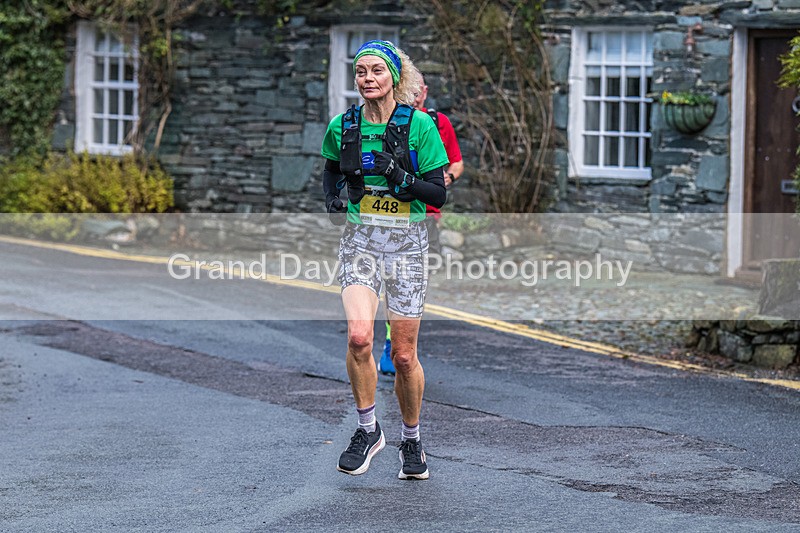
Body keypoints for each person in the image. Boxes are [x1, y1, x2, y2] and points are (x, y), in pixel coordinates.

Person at [320, 40, 448, 480]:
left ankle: (411, 440)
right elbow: (332, 168)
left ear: (395, 76)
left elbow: (438, 194)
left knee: (405, 355)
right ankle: (368, 429)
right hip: (360, 243)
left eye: (377, 71)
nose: (368, 78)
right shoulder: (344, 125)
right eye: (361, 72)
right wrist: (333, 198)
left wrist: (398, 175)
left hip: (407, 246)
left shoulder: (419, 128)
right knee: (359, 338)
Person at [378, 75, 464, 377]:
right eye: (409, 90)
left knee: (417, 282)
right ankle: (393, 341)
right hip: (397, 213)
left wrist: (443, 181)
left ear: (425, 92)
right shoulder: (389, 121)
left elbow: (456, 162)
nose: (414, 95)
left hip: (427, 216)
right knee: (393, 279)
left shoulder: (438, 123)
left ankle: (404, 339)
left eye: (419, 90)